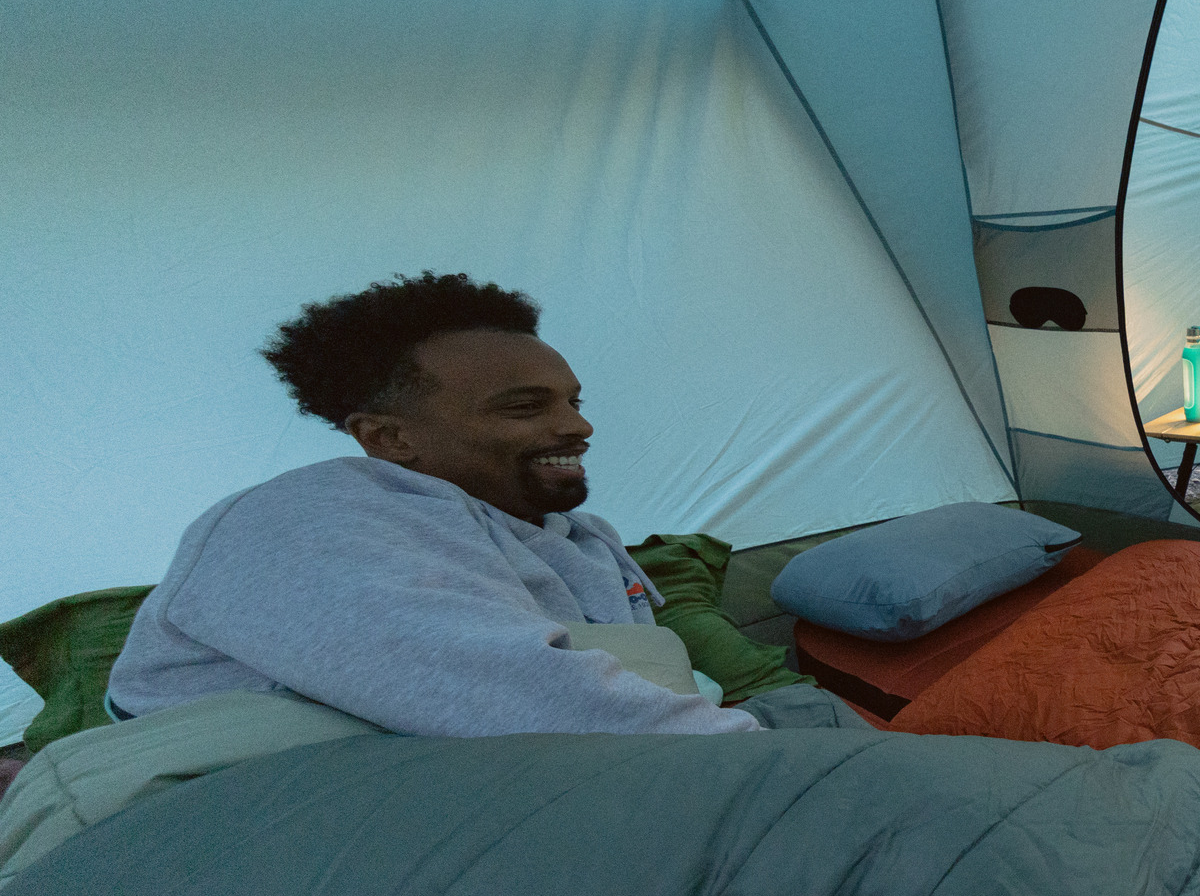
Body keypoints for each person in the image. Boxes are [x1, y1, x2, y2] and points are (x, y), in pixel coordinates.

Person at [107, 273, 823, 737]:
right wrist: (770, 761)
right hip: (281, 816)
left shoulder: (581, 537)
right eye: (525, 407)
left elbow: (634, 685)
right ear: (389, 437)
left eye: (574, 401)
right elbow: (512, 697)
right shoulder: (301, 519)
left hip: (578, 776)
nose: (578, 426)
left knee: (819, 715)